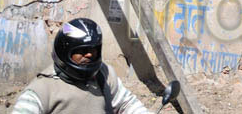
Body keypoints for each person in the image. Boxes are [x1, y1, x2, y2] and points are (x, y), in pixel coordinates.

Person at [9, 18, 151, 114]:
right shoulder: (42, 90)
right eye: (82, 51)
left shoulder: (105, 75)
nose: (89, 55)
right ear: (65, 53)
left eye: (92, 50)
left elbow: (127, 104)